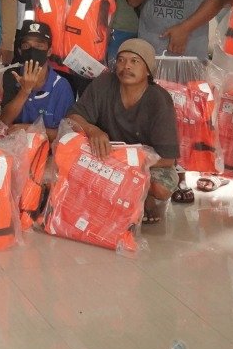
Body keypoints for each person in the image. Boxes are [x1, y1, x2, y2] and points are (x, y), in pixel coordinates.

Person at [65, 38, 179, 224]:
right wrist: (92, 130)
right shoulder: (103, 83)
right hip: (104, 155)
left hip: (142, 164)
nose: (126, 66)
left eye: (135, 61)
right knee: (66, 155)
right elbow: (73, 118)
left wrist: (125, 162)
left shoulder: (159, 100)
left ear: (148, 70)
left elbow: (167, 159)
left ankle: (144, 196)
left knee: (161, 188)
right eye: (121, 60)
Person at [0, 20, 75, 139]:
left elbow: (67, 134)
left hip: (49, 147)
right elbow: (3, 122)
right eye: (26, 46)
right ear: (20, 51)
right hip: (14, 144)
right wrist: (24, 91)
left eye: (39, 46)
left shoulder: (61, 86)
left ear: (49, 51)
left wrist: (30, 129)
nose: (32, 51)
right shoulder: (12, 75)